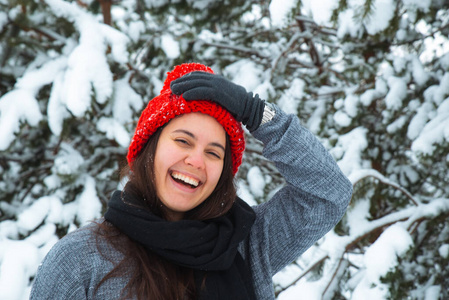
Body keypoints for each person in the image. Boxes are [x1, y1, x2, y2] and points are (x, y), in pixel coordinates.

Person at [30, 63, 352, 300]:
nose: (196, 161)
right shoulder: (81, 261)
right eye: (183, 141)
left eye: (214, 153)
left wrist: (257, 113)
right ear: (149, 148)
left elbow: (328, 193)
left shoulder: (245, 245)